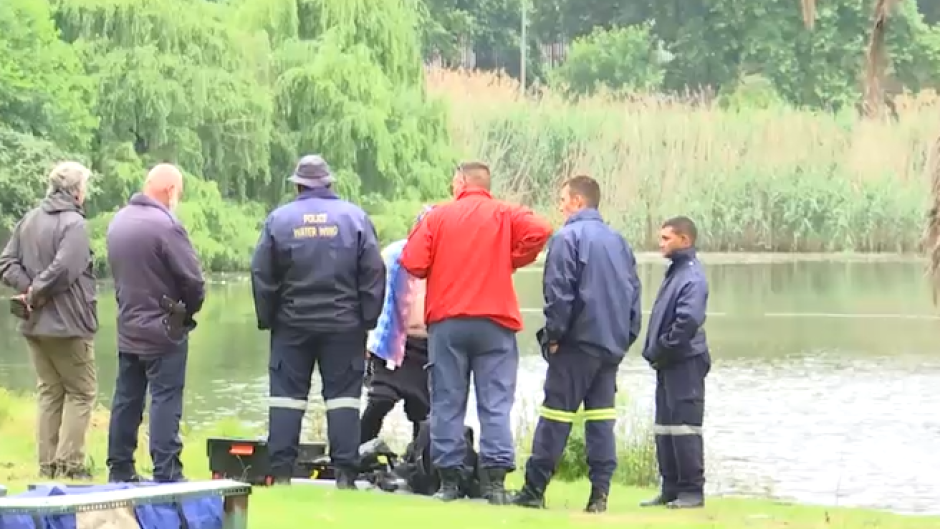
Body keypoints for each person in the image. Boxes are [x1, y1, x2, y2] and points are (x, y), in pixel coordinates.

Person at [400, 161, 553, 504]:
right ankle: (495, 485)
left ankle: (449, 483)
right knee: (495, 404)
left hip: (448, 323)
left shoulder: (439, 217)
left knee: (447, 402)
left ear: (460, 182)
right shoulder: (503, 213)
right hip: (495, 323)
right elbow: (541, 228)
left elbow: (412, 261)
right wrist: (511, 257)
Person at [251, 154, 385, 488]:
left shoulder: (279, 220)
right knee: (343, 399)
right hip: (344, 326)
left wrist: (269, 318)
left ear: (297, 184)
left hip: (291, 325)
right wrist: (367, 319)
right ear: (329, 183)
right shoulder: (355, 218)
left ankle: (281, 474)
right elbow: (373, 274)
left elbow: (262, 274)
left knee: (286, 398)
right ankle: (345, 476)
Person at [512, 175, 642, 513]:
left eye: (563, 199)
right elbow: (634, 297)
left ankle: (533, 489)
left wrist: (554, 337)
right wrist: (624, 338)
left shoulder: (567, 238)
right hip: (610, 347)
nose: (560, 205)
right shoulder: (619, 242)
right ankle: (600, 495)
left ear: (579, 202)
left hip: (575, 344)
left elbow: (559, 293)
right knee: (601, 422)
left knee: (555, 416)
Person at [105, 164, 206, 483]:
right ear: (171, 191)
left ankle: (120, 468)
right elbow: (193, 281)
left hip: (128, 324)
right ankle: (167, 471)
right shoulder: (166, 226)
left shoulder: (118, 221)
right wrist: (187, 311)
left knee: (126, 399)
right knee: (165, 399)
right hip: (165, 329)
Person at [0, 161, 98, 480]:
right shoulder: (74, 225)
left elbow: (7, 263)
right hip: (68, 326)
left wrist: (28, 289)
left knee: (50, 392)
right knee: (81, 393)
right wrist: (36, 291)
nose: (85, 192)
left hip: (35, 324)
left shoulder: (29, 219)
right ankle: (70, 466)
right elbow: (64, 270)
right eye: (84, 186)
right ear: (76, 191)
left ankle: (47, 466)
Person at [640, 216, 711, 509]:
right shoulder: (676, 272)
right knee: (665, 427)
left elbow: (687, 321)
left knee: (685, 428)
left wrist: (664, 349)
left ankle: (692, 492)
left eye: (667, 238)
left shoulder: (692, 276)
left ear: (685, 240)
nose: (661, 243)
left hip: (685, 362)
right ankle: (670, 488)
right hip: (668, 363)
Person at [361, 206, 434, 444]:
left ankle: (419, 465)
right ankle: (353, 457)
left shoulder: (450, 260)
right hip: (392, 343)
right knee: (379, 400)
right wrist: (367, 340)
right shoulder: (393, 255)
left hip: (429, 346)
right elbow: (372, 298)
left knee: (424, 414)